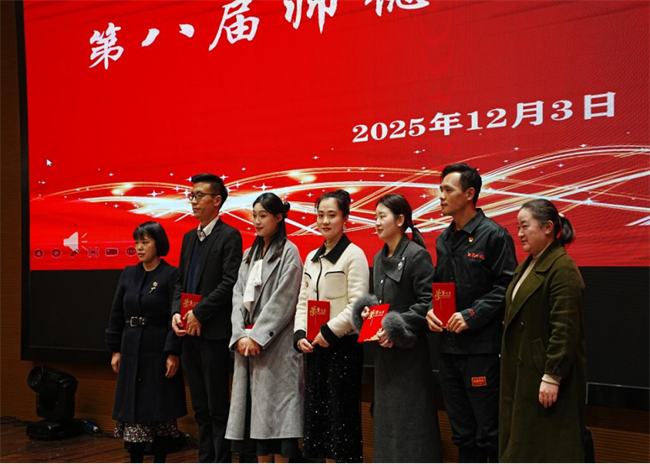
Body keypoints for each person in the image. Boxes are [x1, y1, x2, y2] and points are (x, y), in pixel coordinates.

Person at [427, 163, 517, 464]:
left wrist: (472, 314)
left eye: (447, 190)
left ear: (469, 194)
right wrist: (431, 311)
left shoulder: (494, 235)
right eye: (440, 190)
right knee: (462, 434)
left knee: (489, 434)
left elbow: (508, 286)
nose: (440, 196)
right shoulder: (443, 239)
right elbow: (440, 287)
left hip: (481, 351)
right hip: (448, 350)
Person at [352, 194, 443, 464]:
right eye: (375, 217)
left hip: (410, 359)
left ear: (401, 220)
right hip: (385, 360)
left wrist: (396, 326)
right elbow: (382, 306)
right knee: (386, 428)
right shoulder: (378, 257)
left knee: (412, 429)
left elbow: (427, 302)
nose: (377, 223)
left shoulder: (417, 255)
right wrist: (369, 314)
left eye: (383, 217)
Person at [499, 199, 586, 463]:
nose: (519, 234)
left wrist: (552, 376)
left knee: (544, 449)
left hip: (543, 379)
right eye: (518, 227)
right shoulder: (527, 264)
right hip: (522, 375)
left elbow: (565, 328)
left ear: (548, 227)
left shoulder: (563, 269)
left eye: (525, 226)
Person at [226, 193, 304, 464]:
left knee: (279, 420)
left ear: (278, 217)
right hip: (246, 344)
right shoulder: (249, 254)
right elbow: (237, 295)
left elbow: (284, 299)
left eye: (263, 216)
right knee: (256, 419)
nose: (257, 221)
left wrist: (258, 336)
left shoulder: (289, 251)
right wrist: (239, 335)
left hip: (276, 345)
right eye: (254, 215)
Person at [171, 173, 243, 464]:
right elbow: (180, 282)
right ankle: (205, 459)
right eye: (192, 195)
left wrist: (199, 313)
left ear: (217, 200)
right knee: (200, 406)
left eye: (199, 195)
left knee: (217, 407)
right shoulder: (189, 237)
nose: (193, 201)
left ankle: (221, 460)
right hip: (188, 332)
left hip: (213, 332)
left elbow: (229, 282)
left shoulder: (229, 235)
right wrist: (177, 312)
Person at [294, 189, 369, 464]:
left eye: (332, 215)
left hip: (343, 349)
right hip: (315, 349)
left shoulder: (354, 255)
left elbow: (358, 305)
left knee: (342, 421)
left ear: (345, 218)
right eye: (320, 215)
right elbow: (303, 301)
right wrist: (300, 334)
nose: (325, 221)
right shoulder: (312, 257)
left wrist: (327, 332)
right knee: (320, 424)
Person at [106, 221, 187, 464]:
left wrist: (173, 352)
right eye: (137, 242)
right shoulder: (128, 273)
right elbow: (116, 313)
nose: (139, 247)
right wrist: (115, 350)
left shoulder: (171, 274)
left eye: (145, 242)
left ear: (158, 244)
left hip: (158, 348)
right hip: (131, 348)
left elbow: (176, 314)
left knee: (160, 411)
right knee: (134, 411)